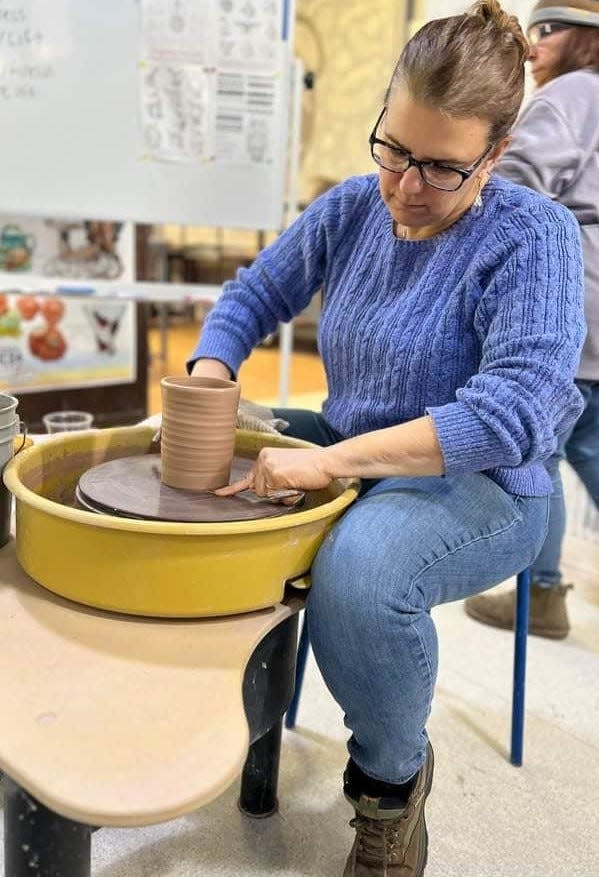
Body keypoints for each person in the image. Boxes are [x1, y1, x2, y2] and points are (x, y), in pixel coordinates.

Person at [188, 2, 585, 873]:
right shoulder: (349, 209)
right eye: (394, 150)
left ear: (496, 154)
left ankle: (390, 790)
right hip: (354, 442)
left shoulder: (534, 237)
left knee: (361, 571)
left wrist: (328, 462)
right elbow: (251, 296)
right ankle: (218, 719)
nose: (406, 186)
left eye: (441, 168)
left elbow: (510, 414)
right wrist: (212, 378)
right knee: (185, 458)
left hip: (489, 485)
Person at [464, 0, 599, 640]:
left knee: (538, 451)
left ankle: (539, 595)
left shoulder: (572, 94)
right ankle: (541, 593)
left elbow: (511, 184)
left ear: (582, 39)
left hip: (576, 304)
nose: (535, 46)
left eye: (546, 31)